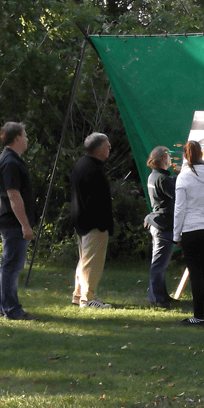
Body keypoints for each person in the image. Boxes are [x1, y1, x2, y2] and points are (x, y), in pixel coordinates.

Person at [173, 140, 204, 326]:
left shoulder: (184, 177)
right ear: (202, 155)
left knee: (196, 273)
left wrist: (176, 235)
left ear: (185, 156)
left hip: (191, 230)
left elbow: (179, 210)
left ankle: (198, 316)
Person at [0, 122, 37, 320]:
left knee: (9, 265)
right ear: (17, 138)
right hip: (13, 222)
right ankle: (11, 309)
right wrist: (25, 225)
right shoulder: (10, 162)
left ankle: (5, 307)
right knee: (12, 266)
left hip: (10, 220)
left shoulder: (10, 159)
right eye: (25, 135)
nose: (27, 139)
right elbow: (13, 195)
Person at [70, 132, 114, 309]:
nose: (110, 147)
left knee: (85, 259)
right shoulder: (92, 168)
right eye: (107, 145)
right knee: (92, 261)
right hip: (93, 221)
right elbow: (94, 199)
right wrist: (103, 220)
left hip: (82, 218)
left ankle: (79, 294)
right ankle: (88, 298)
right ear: (99, 148)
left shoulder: (82, 164)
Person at [144, 146, 176, 308]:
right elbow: (178, 195)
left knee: (160, 263)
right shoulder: (162, 179)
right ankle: (157, 299)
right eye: (168, 157)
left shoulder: (153, 176)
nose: (170, 160)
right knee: (159, 264)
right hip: (163, 225)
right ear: (163, 160)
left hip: (157, 222)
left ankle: (162, 296)